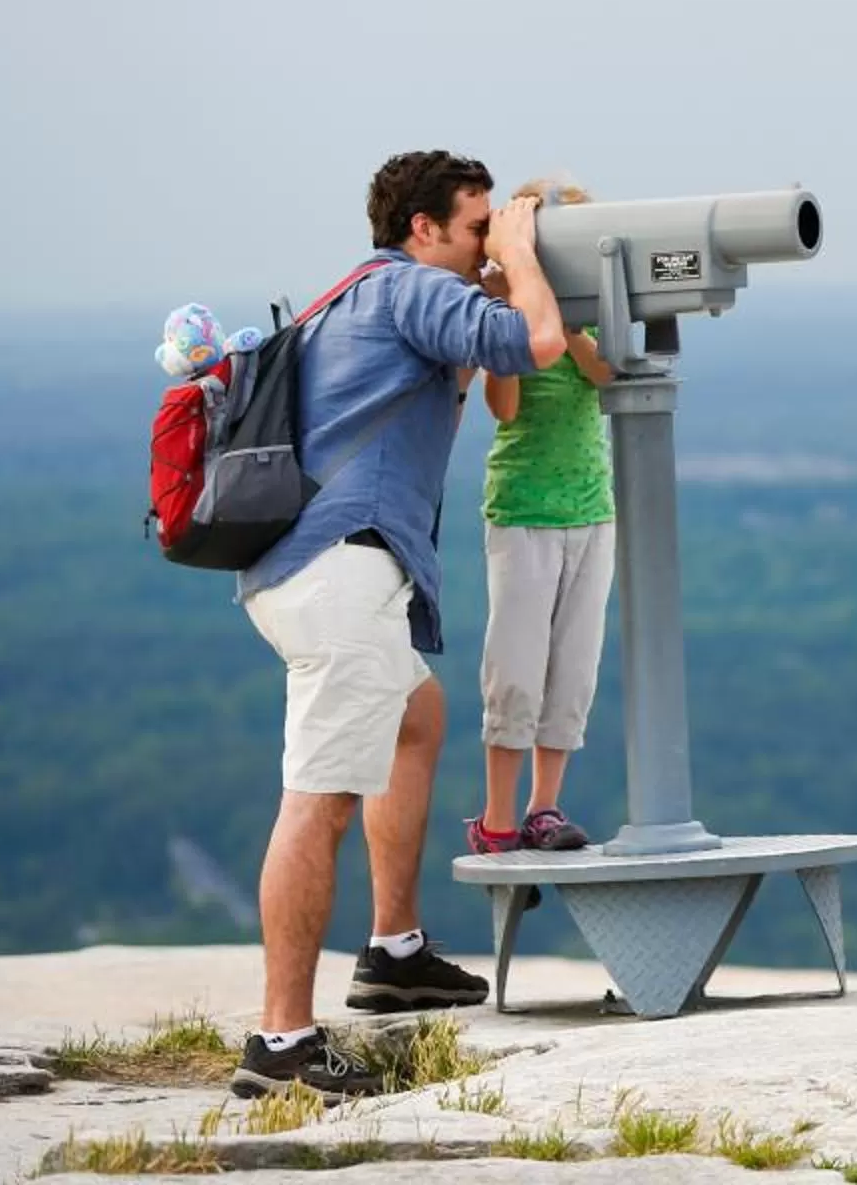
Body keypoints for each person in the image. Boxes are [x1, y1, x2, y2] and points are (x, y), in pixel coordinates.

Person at [231, 152, 566, 1099]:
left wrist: (493, 263)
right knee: (320, 798)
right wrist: (524, 257)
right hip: (341, 577)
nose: (487, 240)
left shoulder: (367, 295)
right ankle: (282, 1045)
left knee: (417, 717)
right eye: (475, 226)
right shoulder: (415, 290)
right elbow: (539, 343)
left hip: (304, 571)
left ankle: (394, 950)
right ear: (423, 229)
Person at [468, 179, 618, 858]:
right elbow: (501, 408)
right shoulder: (507, 315)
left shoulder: (594, 315)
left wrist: (572, 315)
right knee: (518, 668)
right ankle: (498, 818)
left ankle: (545, 808)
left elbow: (607, 374)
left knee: (573, 669)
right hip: (525, 506)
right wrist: (511, 317)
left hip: (591, 509)